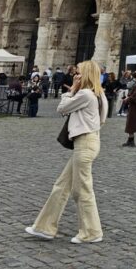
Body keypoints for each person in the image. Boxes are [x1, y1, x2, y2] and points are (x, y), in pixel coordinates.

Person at [25, 60, 107, 244]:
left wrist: (72, 90)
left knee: (82, 189)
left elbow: (62, 108)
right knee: (61, 186)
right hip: (90, 140)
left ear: (86, 74)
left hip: (85, 143)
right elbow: (101, 120)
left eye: (78, 73)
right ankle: (44, 227)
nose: (75, 75)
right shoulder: (100, 94)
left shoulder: (86, 94)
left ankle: (92, 232)